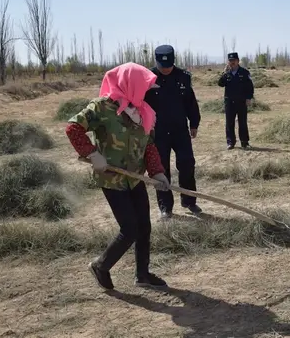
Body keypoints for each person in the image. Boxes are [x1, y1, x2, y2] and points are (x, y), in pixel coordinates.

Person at [65, 62, 171, 290]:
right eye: (144, 87)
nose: (147, 92)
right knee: (130, 229)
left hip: (135, 178)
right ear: (130, 84)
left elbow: (149, 145)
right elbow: (73, 127)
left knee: (144, 227)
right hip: (112, 179)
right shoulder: (102, 108)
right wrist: (92, 153)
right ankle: (100, 266)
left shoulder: (143, 111)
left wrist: (158, 172)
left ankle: (142, 274)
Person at [144, 44, 202, 219]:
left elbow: (190, 102)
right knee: (160, 169)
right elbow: (141, 105)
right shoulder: (148, 78)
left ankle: (189, 200)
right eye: (162, 67)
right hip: (158, 132)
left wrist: (194, 123)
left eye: (168, 66)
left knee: (187, 163)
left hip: (179, 130)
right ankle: (165, 206)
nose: (166, 70)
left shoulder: (183, 77)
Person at [217, 52, 255, 150]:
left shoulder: (244, 72)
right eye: (230, 61)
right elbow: (220, 84)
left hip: (241, 101)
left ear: (238, 61)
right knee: (229, 122)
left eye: (234, 61)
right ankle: (230, 142)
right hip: (229, 102)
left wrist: (249, 98)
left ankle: (244, 142)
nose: (232, 63)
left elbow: (250, 87)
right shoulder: (227, 73)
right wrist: (224, 73)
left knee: (242, 122)